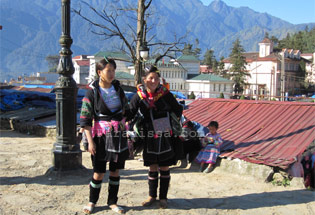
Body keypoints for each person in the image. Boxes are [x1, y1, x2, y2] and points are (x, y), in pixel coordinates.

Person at [129, 65, 183, 209]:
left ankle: (163, 198)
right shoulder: (139, 96)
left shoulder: (165, 94)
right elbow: (130, 112)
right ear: (144, 80)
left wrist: (169, 120)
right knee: (152, 166)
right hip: (149, 135)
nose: (154, 81)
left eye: (156, 78)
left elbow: (178, 109)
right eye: (150, 78)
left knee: (164, 166)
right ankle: (152, 196)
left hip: (165, 134)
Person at [80, 58, 130, 214]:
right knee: (99, 172)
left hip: (117, 135)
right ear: (99, 72)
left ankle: (113, 202)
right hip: (100, 136)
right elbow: (86, 119)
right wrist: (90, 142)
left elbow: (126, 111)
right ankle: (92, 201)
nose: (112, 74)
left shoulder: (119, 90)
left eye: (113, 71)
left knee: (115, 171)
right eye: (108, 71)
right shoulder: (92, 92)